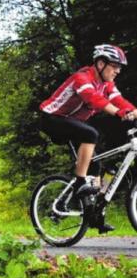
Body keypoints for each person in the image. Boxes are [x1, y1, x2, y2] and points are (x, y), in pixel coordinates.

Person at [40, 44, 137, 233]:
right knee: (90, 134)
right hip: (53, 119)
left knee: (98, 164)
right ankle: (79, 181)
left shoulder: (107, 84)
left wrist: (133, 111)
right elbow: (95, 100)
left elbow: (119, 100)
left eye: (119, 67)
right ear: (100, 63)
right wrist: (120, 113)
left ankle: (94, 215)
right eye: (114, 65)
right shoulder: (82, 78)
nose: (118, 70)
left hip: (74, 124)